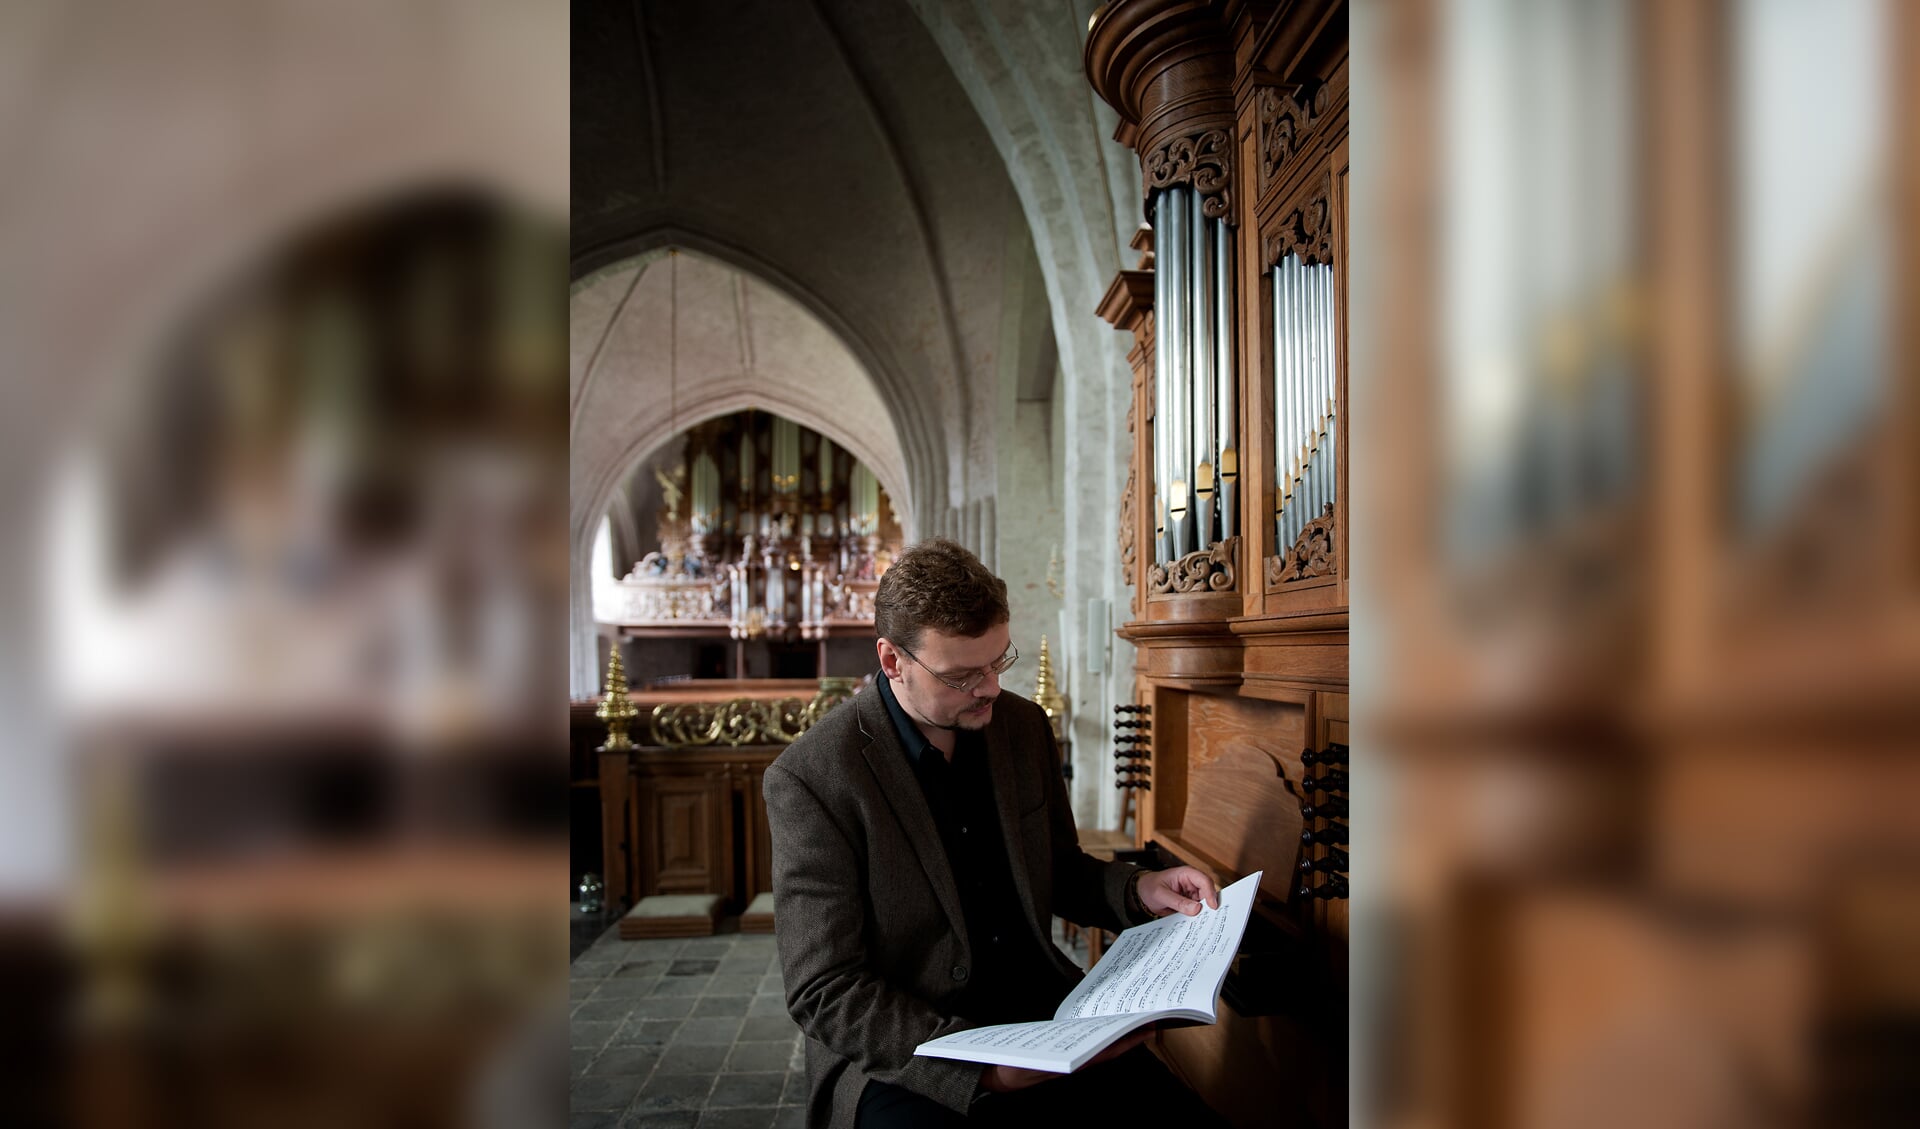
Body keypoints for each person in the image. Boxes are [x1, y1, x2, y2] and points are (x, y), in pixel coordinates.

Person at [764, 538, 1231, 1129]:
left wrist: (1141, 890)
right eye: (962, 675)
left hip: (1045, 1014)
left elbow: (1059, 869)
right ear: (892, 661)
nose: (988, 687)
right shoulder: (813, 777)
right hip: (908, 1050)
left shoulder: (1022, 727)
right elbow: (825, 989)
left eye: (997, 662)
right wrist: (982, 1071)